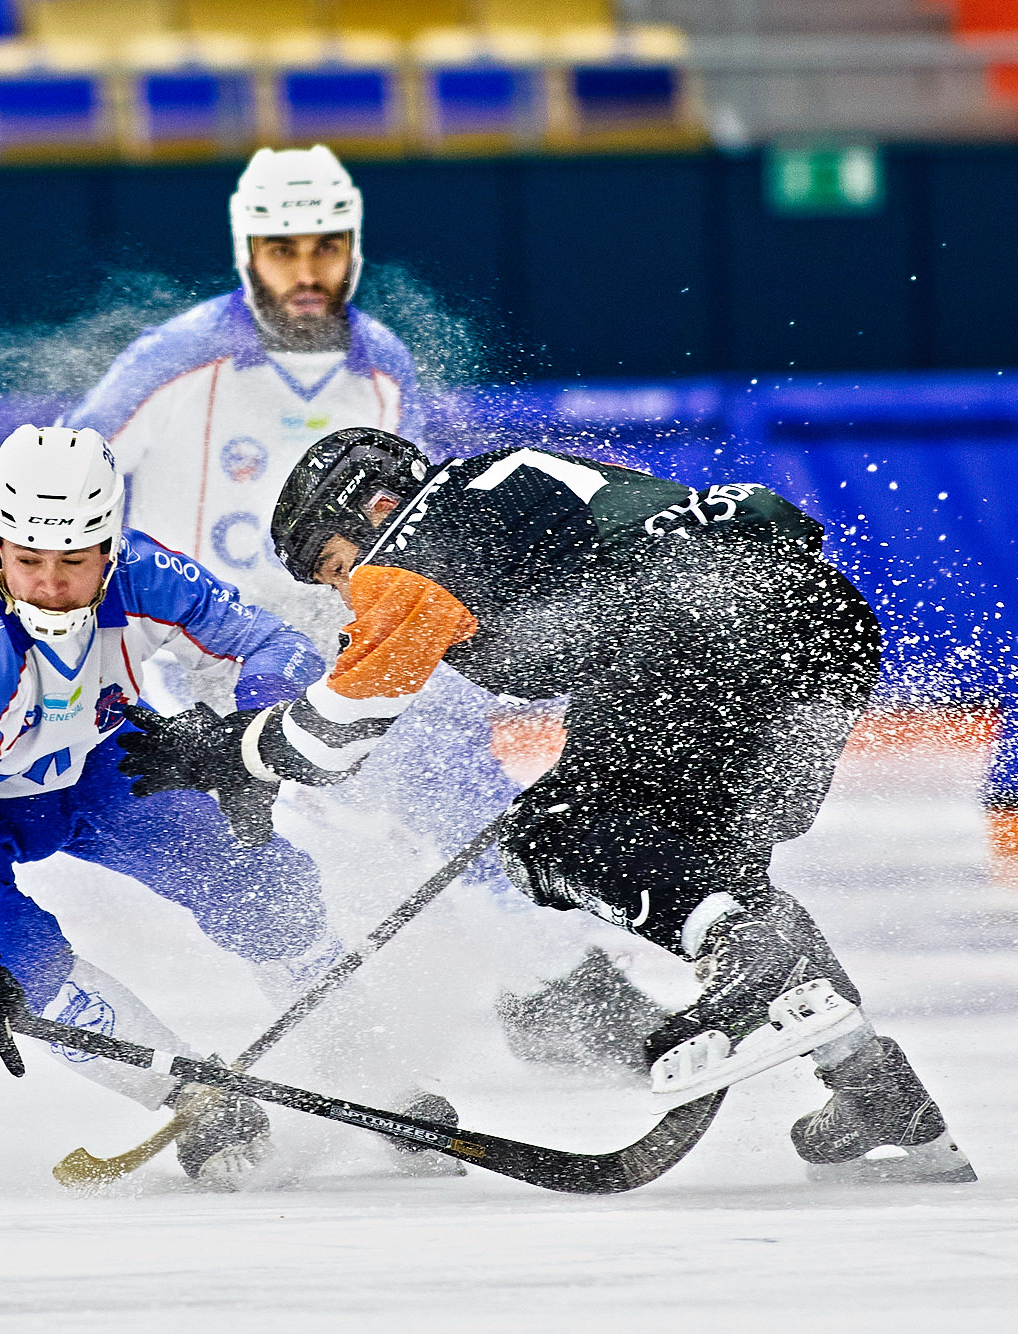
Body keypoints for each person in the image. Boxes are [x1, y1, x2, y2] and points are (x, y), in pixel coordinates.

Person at [120, 428, 977, 1184]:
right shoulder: (504, 478)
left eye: (335, 565)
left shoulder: (407, 549)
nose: (347, 591)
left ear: (369, 509)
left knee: (551, 838)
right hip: (812, 629)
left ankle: (736, 953)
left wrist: (219, 751)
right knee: (711, 871)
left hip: (691, 635)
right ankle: (876, 1091)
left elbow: (335, 736)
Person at [65, 144, 664, 1070]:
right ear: (246, 252)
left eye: (326, 247)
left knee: (461, 788)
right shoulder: (177, 360)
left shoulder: (381, 361)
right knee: (271, 851)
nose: (307, 272)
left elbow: (418, 517)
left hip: (344, 629)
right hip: (201, 655)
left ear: (353, 246)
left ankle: (551, 983)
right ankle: (352, 1043)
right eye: (282, 250)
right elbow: (68, 475)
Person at [0, 424, 455, 1187]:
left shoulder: (147, 572)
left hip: (76, 755)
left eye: (75, 563)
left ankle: (369, 1070)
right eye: (28, 562)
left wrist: (247, 743)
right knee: (14, 956)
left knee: (257, 881)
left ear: (109, 548)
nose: (50, 585)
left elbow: (274, 644)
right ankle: (195, 1099)